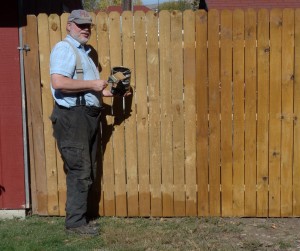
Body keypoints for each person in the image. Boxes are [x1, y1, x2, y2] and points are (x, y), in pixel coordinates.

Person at [49, 9, 130, 236]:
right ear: (69, 25)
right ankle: (75, 224)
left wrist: (110, 93)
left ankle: (81, 219)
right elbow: (58, 82)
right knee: (80, 169)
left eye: (88, 26)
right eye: (80, 25)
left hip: (86, 115)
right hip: (73, 117)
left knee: (87, 168)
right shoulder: (65, 48)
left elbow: (90, 89)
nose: (85, 29)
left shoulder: (84, 52)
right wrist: (94, 85)